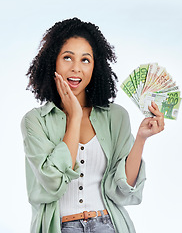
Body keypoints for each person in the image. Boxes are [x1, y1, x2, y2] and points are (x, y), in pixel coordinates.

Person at [21, 17, 164, 233]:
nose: (76, 68)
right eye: (67, 57)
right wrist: (75, 116)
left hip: (108, 224)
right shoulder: (35, 121)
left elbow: (123, 191)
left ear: (95, 66)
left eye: (85, 60)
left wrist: (141, 138)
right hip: (60, 226)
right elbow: (52, 183)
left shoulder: (116, 117)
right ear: (53, 62)